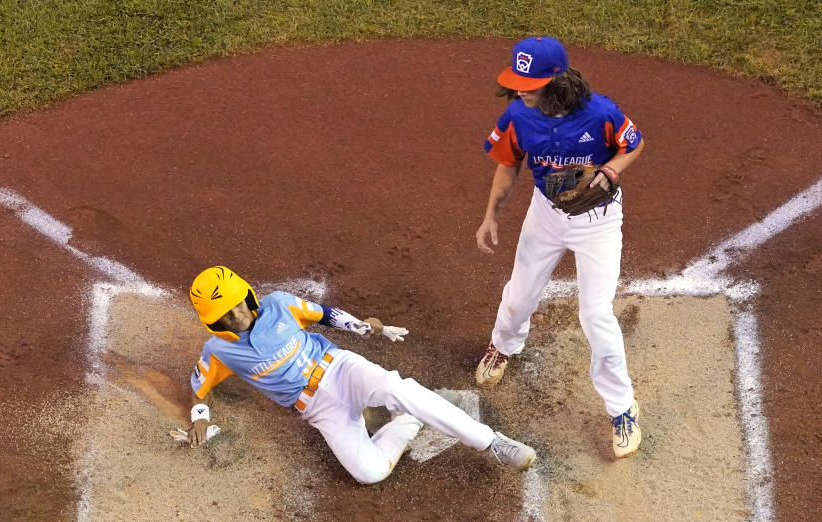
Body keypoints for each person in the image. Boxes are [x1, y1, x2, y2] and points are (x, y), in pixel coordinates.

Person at [172, 266, 537, 484]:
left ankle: (493, 444)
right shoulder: (218, 351)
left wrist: (363, 327)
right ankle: (415, 417)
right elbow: (199, 390)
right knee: (369, 472)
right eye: (227, 315)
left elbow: (324, 314)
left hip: (340, 369)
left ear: (248, 294)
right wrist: (200, 418)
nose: (238, 315)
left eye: (239, 304)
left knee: (395, 387)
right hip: (317, 409)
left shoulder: (280, 304)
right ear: (213, 322)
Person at [473, 36, 644, 459]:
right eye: (516, 82)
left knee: (596, 315)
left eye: (527, 83)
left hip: (598, 223)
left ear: (554, 79)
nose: (519, 90)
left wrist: (610, 170)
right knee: (520, 295)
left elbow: (635, 144)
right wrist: (491, 215)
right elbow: (508, 166)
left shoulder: (601, 112)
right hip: (546, 215)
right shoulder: (517, 115)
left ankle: (622, 409)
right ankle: (504, 345)